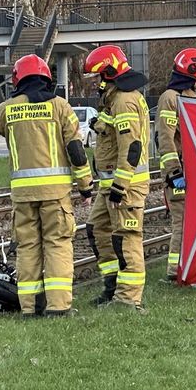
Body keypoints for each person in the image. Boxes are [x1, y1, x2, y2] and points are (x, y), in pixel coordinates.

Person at [0, 54, 92, 317]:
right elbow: (76, 149)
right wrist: (85, 186)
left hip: (23, 196)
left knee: (27, 248)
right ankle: (58, 307)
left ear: (17, 80)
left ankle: (29, 307)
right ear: (46, 77)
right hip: (55, 195)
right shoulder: (60, 107)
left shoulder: (7, 109)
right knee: (57, 244)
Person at [83, 44, 150, 310]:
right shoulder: (114, 99)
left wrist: (120, 186)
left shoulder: (123, 101)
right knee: (97, 229)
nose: (95, 84)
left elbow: (130, 148)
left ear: (108, 73)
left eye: (97, 77)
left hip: (125, 186)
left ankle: (128, 299)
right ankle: (112, 287)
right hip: (110, 183)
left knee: (127, 237)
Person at [158, 47, 196, 281]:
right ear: (190, 72)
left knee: (193, 219)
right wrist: (174, 172)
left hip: (193, 169)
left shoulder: (189, 97)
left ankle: (187, 265)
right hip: (179, 172)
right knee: (181, 220)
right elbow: (166, 138)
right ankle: (174, 270)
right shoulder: (170, 98)